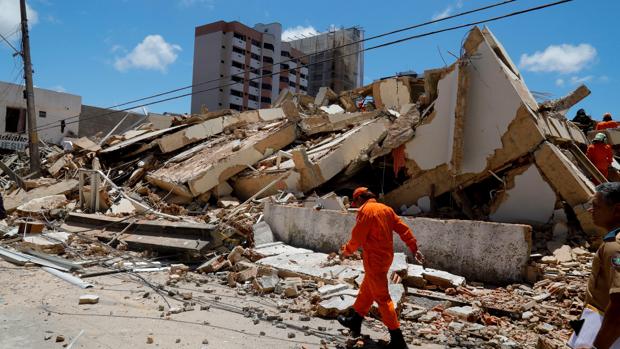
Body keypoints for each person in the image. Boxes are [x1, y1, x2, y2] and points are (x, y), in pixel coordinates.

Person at [337, 187, 424, 349]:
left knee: (382, 299)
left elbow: (357, 237)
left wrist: (346, 250)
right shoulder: (386, 209)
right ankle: (354, 321)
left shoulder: (366, 211)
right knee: (367, 289)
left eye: (355, 201)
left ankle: (398, 340)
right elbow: (403, 229)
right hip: (385, 258)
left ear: (360, 199)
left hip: (374, 259)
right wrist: (413, 247)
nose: (355, 205)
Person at [569, 183, 620, 348]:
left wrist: (598, 346)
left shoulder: (615, 246)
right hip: (593, 324)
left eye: (596, 206)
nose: (590, 210)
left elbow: (619, 303)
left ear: (617, 210)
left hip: (603, 333)